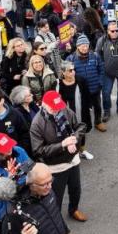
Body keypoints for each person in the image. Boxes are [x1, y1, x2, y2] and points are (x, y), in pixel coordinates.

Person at [30, 91, 87, 223]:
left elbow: (80, 126)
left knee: (75, 189)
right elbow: (38, 151)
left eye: (58, 107)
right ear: (43, 105)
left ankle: (74, 209)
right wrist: (62, 144)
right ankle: (56, 220)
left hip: (72, 160)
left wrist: (74, 139)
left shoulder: (65, 110)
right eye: (53, 108)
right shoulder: (37, 123)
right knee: (56, 197)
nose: (56, 110)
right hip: (56, 166)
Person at [1, 163, 74, 234]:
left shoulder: (48, 191)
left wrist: (66, 233)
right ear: (31, 184)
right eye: (44, 184)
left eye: (51, 181)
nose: (50, 186)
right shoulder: (13, 212)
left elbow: (56, 213)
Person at [0, 133, 31, 234]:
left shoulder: (18, 151)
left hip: (26, 201)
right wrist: (9, 179)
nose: (10, 148)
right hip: (6, 211)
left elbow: (31, 168)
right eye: (5, 148)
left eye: (9, 145)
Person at [67, 35, 105, 133]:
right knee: (84, 109)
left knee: (97, 106)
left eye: (86, 45)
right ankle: (85, 125)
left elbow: (101, 69)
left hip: (95, 88)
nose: (85, 48)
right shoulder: (71, 58)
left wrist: (100, 82)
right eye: (82, 45)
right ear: (77, 46)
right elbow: (66, 72)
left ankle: (98, 122)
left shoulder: (95, 56)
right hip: (81, 91)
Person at [57, 62, 93, 159]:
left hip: (81, 111)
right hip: (65, 114)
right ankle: (72, 152)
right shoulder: (58, 84)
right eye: (70, 70)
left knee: (81, 130)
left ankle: (82, 150)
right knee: (67, 132)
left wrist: (89, 107)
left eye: (73, 69)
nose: (73, 72)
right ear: (63, 72)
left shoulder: (81, 80)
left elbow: (87, 94)